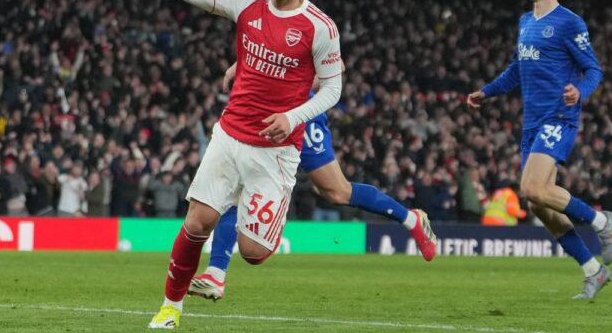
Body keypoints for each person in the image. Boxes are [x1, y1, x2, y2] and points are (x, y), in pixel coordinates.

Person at [149, 0, 344, 328]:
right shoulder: (248, 4)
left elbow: (332, 90)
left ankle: (262, 211)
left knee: (253, 253)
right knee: (197, 223)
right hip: (229, 136)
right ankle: (170, 309)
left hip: (275, 151)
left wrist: (291, 116)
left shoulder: (320, 28)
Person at [187, 64, 438, 301]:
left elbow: (336, 66)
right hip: (261, 104)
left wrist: (300, 80)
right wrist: (239, 64)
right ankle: (215, 273)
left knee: (336, 191)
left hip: (299, 113)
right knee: (238, 186)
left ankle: (411, 219)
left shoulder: (315, 32)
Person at [467, 0, 612, 300]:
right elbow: (516, 69)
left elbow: (593, 70)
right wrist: (487, 92)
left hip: (559, 116)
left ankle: (602, 222)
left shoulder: (569, 22)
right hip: (532, 122)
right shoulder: (525, 21)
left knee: (533, 188)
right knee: (538, 204)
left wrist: (580, 91)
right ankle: (593, 270)